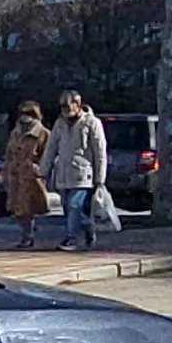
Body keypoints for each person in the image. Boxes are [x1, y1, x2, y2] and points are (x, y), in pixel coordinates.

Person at [44, 91, 108, 252]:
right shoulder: (59, 124)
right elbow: (51, 148)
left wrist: (100, 178)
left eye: (67, 105)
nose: (64, 109)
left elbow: (100, 151)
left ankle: (70, 239)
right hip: (63, 174)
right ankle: (88, 227)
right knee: (68, 207)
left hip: (84, 174)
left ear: (77, 104)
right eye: (61, 106)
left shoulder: (92, 123)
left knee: (74, 205)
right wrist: (44, 169)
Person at [0, 101, 55, 249]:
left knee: (27, 207)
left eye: (28, 113)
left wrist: (40, 169)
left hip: (31, 175)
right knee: (15, 208)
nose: (25, 117)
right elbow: (9, 153)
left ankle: (28, 235)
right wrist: (4, 171)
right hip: (15, 173)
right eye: (22, 113)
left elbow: (48, 154)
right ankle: (28, 231)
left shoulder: (43, 133)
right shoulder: (15, 132)